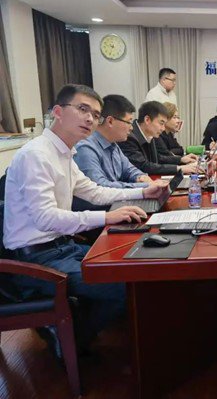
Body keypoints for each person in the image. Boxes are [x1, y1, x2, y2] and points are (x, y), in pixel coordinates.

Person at [3, 84, 167, 350]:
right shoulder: (36, 155)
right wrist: (107, 217)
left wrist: (143, 191)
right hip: (36, 261)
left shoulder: (64, 153)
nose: (90, 118)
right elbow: (46, 218)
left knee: (131, 263)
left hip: (62, 247)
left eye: (95, 113)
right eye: (82, 109)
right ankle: (70, 340)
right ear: (58, 112)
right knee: (126, 287)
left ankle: (74, 327)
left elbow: (93, 190)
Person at [74, 94, 153, 189]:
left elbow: (129, 169)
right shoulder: (86, 148)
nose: (131, 128)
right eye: (129, 122)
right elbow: (100, 187)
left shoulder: (113, 144)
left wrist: (140, 177)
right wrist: (145, 186)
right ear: (110, 121)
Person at [119, 101, 198, 175]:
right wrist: (179, 168)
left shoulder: (149, 133)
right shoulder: (129, 137)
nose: (163, 128)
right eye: (161, 123)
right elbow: (144, 166)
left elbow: (158, 158)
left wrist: (181, 160)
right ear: (147, 120)